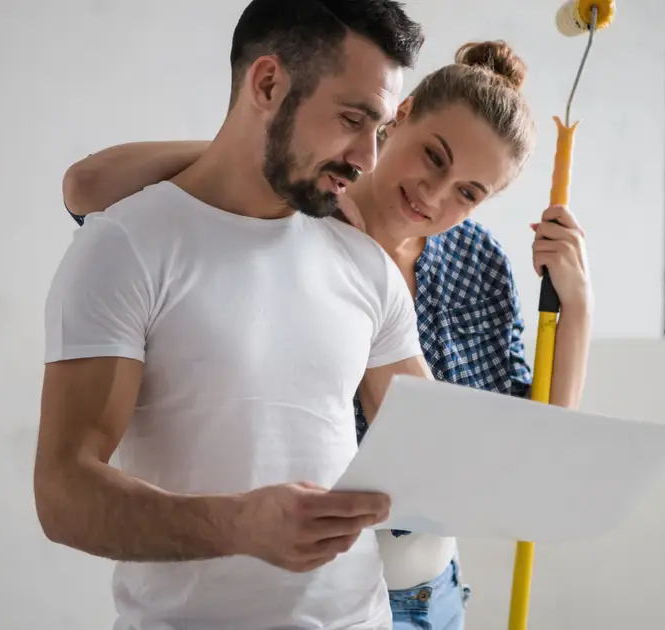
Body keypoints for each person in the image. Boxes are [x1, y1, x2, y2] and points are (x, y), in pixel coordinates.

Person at [62, 39, 594, 630]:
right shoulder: (292, 221)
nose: (435, 196)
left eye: (469, 193)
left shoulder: (476, 261)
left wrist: (578, 311)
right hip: (301, 597)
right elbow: (88, 185)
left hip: (431, 594)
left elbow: (527, 446)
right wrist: (283, 163)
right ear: (402, 114)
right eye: (434, 158)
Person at [33, 1, 432, 629]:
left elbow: (432, 446)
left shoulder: (365, 265)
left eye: (378, 130)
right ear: (268, 84)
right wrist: (240, 525)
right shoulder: (127, 247)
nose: (367, 159)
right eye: (353, 119)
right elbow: (63, 495)